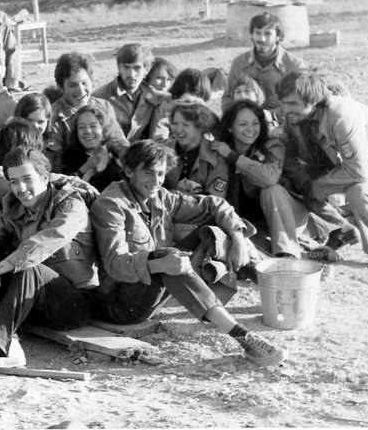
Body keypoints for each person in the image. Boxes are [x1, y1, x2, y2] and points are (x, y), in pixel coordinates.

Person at [90, 140, 285, 366]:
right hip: (119, 304)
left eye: (161, 173)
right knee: (166, 256)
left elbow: (216, 205)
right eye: (148, 173)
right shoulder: (111, 205)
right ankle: (240, 335)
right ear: (128, 171)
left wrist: (238, 237)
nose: (156, 181)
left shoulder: (160, 197)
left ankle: (272, 284)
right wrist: (159, 265)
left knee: (217, 227)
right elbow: (116, 264)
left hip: (150, 290)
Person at [0, 147, 98, 386]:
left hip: (72, 304)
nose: (21, 188)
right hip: (29, 302)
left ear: (45, 177)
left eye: (27, 179)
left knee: (28, 267)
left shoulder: (71, 205)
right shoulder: (14, 209)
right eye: (14, 181)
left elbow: (39, 246)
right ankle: (11, 347)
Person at [277, 71, 368, 266]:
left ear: (312, 99)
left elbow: (358, 170)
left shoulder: (341, 114)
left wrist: (320, 186)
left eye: (292, 103)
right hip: (338, 167)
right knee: (295, 182)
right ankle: (342, 230)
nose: (286, 110)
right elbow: (292, 155)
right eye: (283, 103)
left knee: (359, 192)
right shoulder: (298, 115)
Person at [210, 100, 331, 257]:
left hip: (290, 217)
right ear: (230, 128)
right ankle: (307, 249)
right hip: (256, 224)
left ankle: (287, 252)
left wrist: (233, 157)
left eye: (255, 123)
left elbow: (268, 178)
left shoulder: (272, 145)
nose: (250, 129)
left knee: (271, 190)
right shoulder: (222, 151)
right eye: (243, 124)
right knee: (247, 248)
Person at [45, 52, 128, 173]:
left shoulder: (103, 106)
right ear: (60, 87)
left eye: (84, 83)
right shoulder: (53, 116)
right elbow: (53, 167)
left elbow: (119, 142)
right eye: (72, 85)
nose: (81, 90)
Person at [222, 12, 304, 114]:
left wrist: (271, 115)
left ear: (278, 36)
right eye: (258, 33)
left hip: (282, 120)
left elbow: (300, 101)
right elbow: (228, 98)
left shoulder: (293, 65)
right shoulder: (239, 63)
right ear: (252, 35)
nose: (262, 39)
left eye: (268, 33)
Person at [93, 44, 173, 142]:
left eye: (137, 68)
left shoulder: (156, 98)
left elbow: (159, 134)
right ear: (119, 67)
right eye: (126, 67)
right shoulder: (100, 98)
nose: (131, 74)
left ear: (146, 69)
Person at [163, 97, 229, 198]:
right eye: (175, 123)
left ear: (200, 126)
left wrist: (177, 196)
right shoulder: (162, 150)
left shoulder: (216, 158)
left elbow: (215, 201)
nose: (178, 130)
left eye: (185, 124)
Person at [61, 105, 125, 192]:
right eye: (81, 127)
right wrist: (87, 166)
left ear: (103, 128)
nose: (87, 131)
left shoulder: (117, 158)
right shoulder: (70, 157)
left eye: (93, 126)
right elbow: (62, 190)